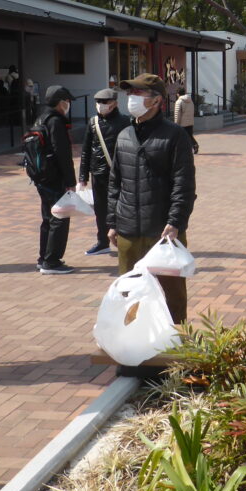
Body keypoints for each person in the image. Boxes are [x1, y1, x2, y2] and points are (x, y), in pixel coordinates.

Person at [107, 73, 195, 323]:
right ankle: (132, 342)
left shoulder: (175, 135)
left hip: (163, 232)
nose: (131, 98)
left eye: (138, 93)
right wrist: (112, 222)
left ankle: (174, 341)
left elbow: (184, 184)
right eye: (130, 93)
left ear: (156, 100)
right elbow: (115, 182)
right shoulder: (124, 135)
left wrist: (175, 221)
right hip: (128, 230)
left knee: (171, 295)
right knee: (129, 293)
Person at [77, 88, 130, 257]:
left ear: (114, 103)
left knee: (121, 208)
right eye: (98, 102)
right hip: (98, 174)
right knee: (100, 210)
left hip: (120, 174)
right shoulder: (93, 122)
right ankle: (102, 242)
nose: (101, 105)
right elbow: (86, 150)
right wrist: (83, 176)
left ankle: (125, 241)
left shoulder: (125, 122)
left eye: (105, 102)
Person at [32, 86, 77, 275]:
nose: (69, 104)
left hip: (42, 177)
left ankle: (43, 258)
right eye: (67, 101)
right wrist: (71, 181)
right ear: (60, 102)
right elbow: (63, 154)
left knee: (47, 218)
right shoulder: (56, 121)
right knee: (60, 217)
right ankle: (52, 262)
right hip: (55, 178)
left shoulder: (41, 118)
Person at [173, 90, 200, 154]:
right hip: (190, 122)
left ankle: (182, 150)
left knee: (181, 137)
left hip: (182, 123)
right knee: (189, 136)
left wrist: (176, 124)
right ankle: (194, 145)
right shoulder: (190, 101)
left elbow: (177, 114)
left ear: (178, 94)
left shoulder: (179, 101)